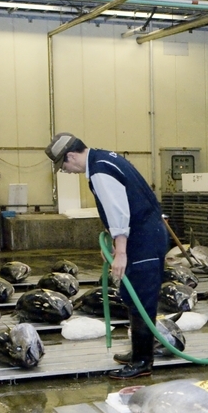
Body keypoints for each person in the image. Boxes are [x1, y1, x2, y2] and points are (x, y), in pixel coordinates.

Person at [45, 132, 169, 380]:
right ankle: (140, 350)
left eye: (64, 166)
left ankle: (142, 361)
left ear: (71, 156)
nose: (66, 171)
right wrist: (114, 245)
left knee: (141, 296)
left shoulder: (100, 170)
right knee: (134, 294)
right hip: (143, 233)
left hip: (143, 238)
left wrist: (120, 251)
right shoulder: (103, 159)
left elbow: (118, 211)